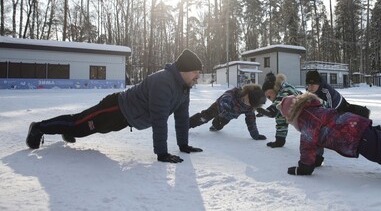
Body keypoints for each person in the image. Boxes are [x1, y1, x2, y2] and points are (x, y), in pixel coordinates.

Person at [25, 49, 204, 164]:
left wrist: (183, 144)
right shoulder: (163, 82)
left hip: (124, 118)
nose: (197, 76)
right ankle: (38, 127)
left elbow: (181, 117)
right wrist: (162, 153)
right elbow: (159, 118)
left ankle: (70, 131)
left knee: (80, 127)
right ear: (184, 70)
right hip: (114, 109)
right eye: (195, 72)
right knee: (77, 124)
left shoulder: (183, 88)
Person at [277, 93, 381, 186]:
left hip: (354, 136)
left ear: (291, 114)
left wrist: (304, 168)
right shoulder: (314, 109)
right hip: (356, 127)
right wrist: (317, 160)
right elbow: (316, 141)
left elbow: (308, 146)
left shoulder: (306, 120)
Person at [189, 84, 268, 140]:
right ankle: (187, 124)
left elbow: (251, 121)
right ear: (247, 93)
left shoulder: (249, 109)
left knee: (219, 125)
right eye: (246, 100)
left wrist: (255, 135)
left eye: (249, 104)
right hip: (219, 107)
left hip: (229, 116)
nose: (246, 103)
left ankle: (215, 124)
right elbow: (227, 95)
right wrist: (225, 103)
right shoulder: (236, 91)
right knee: (204, 117)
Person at [260, 72, 302, 148]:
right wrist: (280, 140)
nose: (269, 99)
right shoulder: (280, 105)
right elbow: (281, 120)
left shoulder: (287, 89)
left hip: (317, 113)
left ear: (274, 88)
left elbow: (282, 99)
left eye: (269, 96)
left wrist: (271, 110)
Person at [305, 70, 371, 118]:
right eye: (308, 85)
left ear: (318, 84)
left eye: (312, 85)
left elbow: (330, 111)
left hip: (339, 103)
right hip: (333, 102)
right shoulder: (310, 89)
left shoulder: (326, 91)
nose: (310, 88)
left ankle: (365, 112)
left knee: (350, 113)